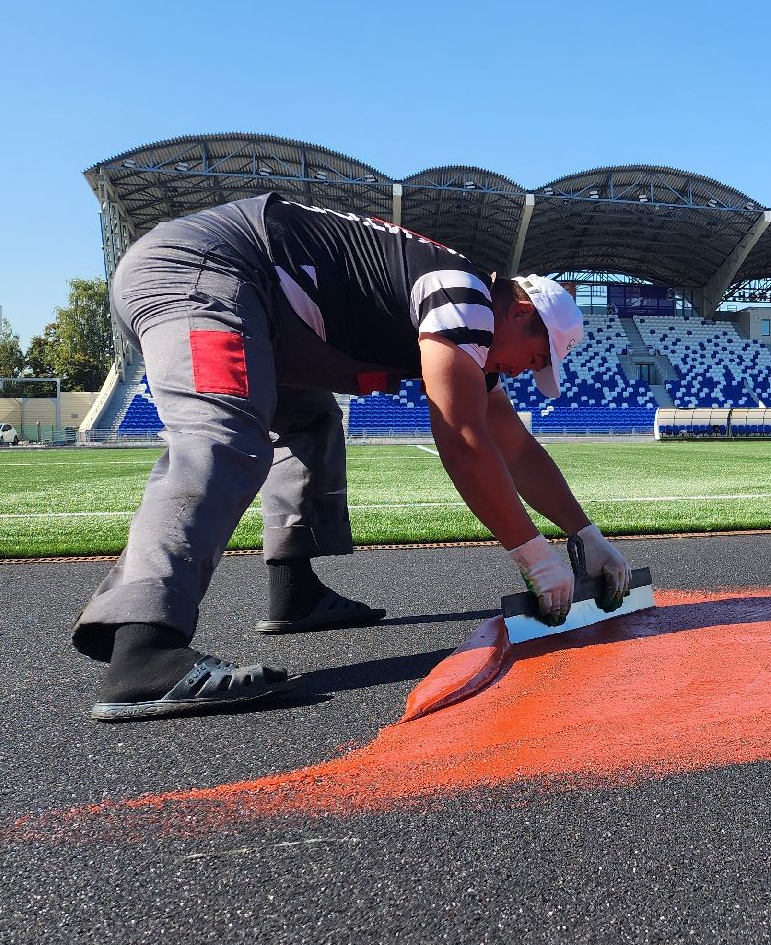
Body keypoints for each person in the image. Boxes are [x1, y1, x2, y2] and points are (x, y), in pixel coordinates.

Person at [76, 192, 631, 722]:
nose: (524, 373)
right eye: (535, 357)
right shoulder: (466, 298)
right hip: (206, 272)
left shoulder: (472, 317)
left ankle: (294, 591)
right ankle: (144, 648)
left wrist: (585, 532)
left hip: (271, 309)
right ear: (520, 311)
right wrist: (533, 553)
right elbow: (464, 440)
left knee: (309, 418)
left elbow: (513, 444)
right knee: (221, 434)